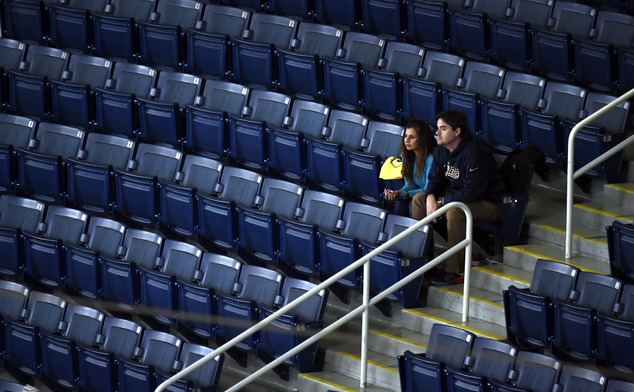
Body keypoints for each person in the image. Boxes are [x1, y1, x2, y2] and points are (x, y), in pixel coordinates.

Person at [412, 110, 506, 285]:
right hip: (460, 198)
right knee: (419, 199)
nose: (437, 133)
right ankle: (425, 262)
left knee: (455, 210)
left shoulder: (474, 153)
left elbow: (471, 193)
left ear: (457, 131)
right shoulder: (442, 150)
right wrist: (431, 195)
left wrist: (442, 202)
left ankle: (455, 270)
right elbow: (434, 178)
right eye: (437, 128)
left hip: (490, 204)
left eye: (443, 129)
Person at [384, 118, 436, 217]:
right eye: (405, 136)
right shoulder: (407, 155)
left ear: (421, 139)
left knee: (407, 199)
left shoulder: (431, 159)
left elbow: (427, 189)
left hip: (432, 195)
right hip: (419, 191)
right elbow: (410, 184)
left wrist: (403, 194)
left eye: (412, 137)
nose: (407, 140)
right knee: (401, 200)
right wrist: (397, 192)